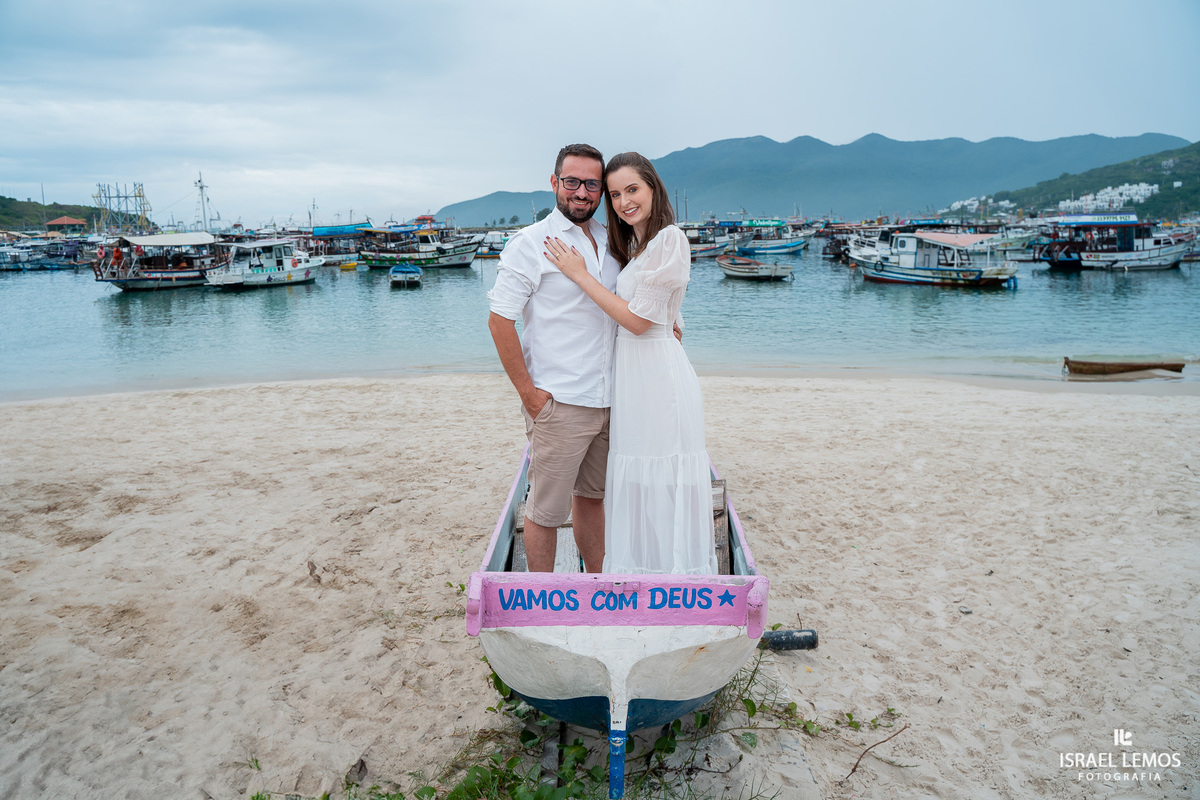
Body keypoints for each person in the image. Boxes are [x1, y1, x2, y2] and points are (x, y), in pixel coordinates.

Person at [542, 152, 717, 575]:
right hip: (634, 376)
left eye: (632, 190)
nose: (623, 202)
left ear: (654, 189)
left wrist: (579, 274)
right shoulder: (639, 247)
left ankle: (671, 580)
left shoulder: (671, 237)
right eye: (616, 194)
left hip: (656, 375)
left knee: (661, 477)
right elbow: (655, 301)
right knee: (636, 478)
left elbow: (638, 322)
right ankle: (640, 576)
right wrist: (674, 315)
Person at [487, 144, 620, 573]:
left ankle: (597, 585)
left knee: (592, 499)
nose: (581, 192)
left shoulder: (610, 240)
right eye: (572, 182)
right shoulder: (530, 244)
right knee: (546, 511)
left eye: (592, 184)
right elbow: (500, 321)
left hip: (610, 399)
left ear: (601, 189)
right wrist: (530, 394)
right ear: (554, 183)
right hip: (559, 402)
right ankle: (542, 599)